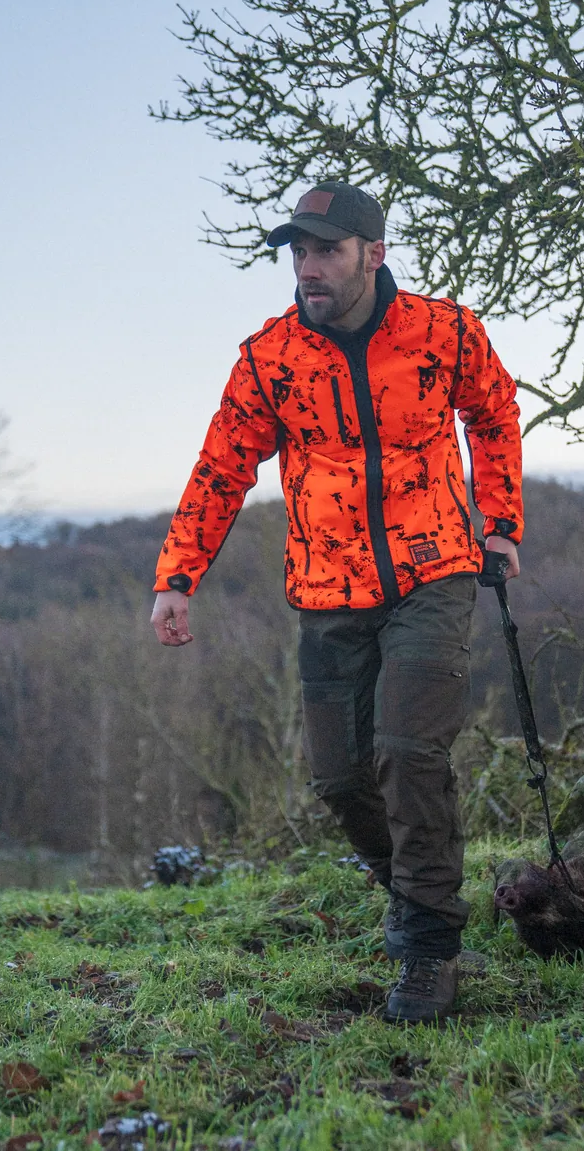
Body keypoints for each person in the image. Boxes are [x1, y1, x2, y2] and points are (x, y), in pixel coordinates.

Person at [149, 180, 524, 1022]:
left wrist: (499, 523)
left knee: (409, 753)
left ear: (373, 254)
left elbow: (494, 413)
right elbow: (221, 468)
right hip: (327, 589)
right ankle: (416, 894)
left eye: (327, 250)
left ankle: (428, 948)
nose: (309, 267)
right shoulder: (271, 358)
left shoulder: (444, 333)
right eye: (299, 251)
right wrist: (177, 577)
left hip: (433, 571)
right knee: (342, 779)